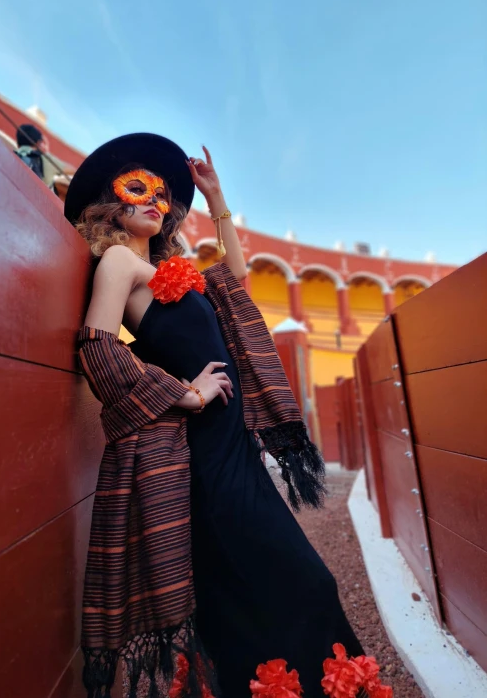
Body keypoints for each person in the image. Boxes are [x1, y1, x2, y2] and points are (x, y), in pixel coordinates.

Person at [64, 133, 362, 698]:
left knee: (237, 604)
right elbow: (98, 347)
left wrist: (216, 194)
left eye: (162, 194)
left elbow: (237, 272)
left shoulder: (179, 272)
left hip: (236, 456)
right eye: (137, 188)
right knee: (307, 585)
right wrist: (188, 394)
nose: (154, 199)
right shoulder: (120, 264)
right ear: (110, 204)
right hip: (200, 461)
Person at [15, 123, 60, 189]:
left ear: (18, 144)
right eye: (42, 142)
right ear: (38, 143)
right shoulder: (42, 161)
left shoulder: (13, 154)